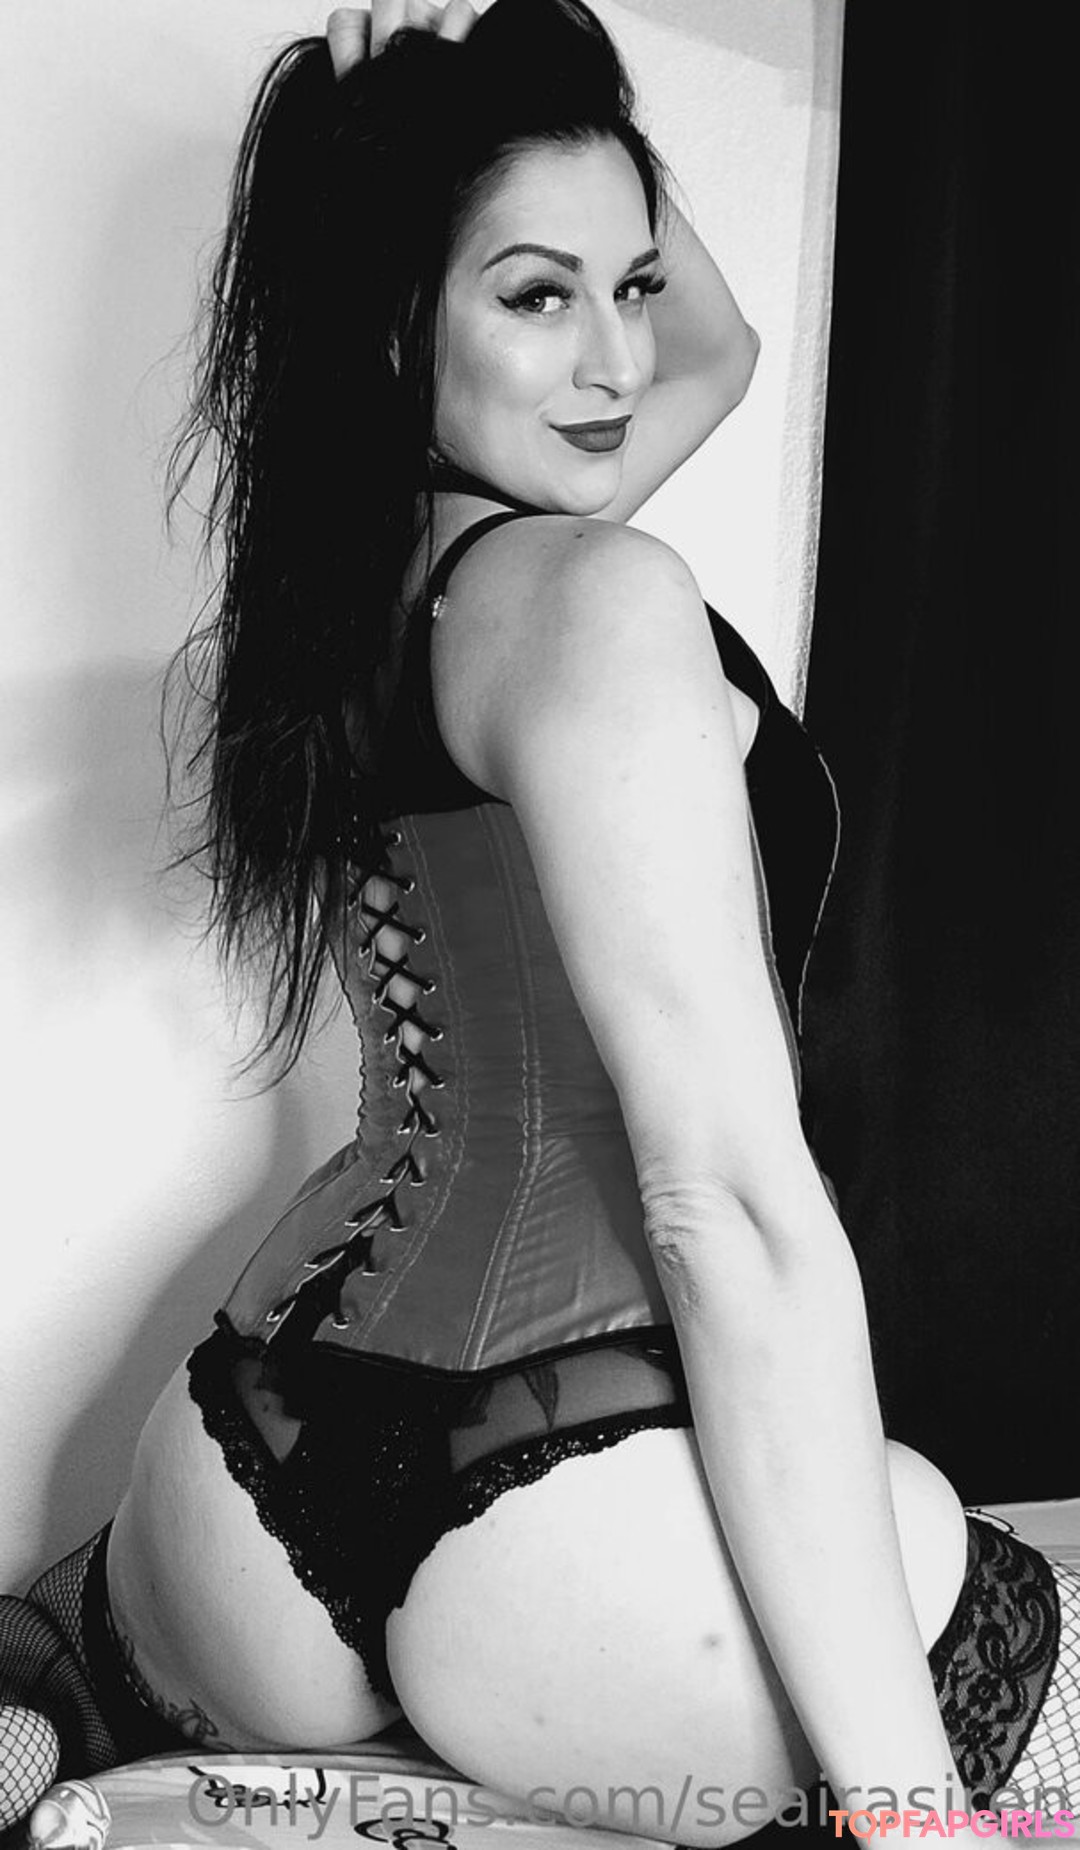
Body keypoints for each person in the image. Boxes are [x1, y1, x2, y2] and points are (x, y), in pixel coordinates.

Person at [2, 0, 1078, 1841]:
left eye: (628, 282)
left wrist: (520, 102)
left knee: (59, 1653)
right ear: (395, 320)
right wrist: (909, 1811)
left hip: (253, 1454)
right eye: (535, 295)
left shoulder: (345, 585)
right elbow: (723, 1210)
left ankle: (51, 1695)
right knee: (1011, 1662)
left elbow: (718, 349)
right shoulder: (593, 597)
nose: (617, 356)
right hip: (563, 1504)